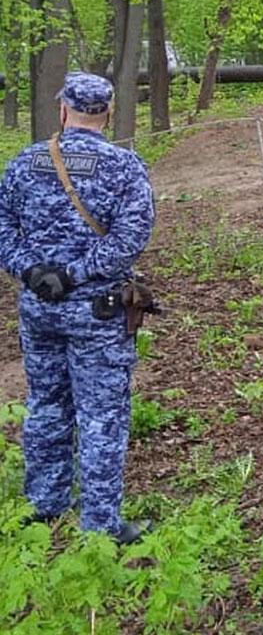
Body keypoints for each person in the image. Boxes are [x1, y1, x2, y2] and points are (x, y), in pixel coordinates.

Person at [0, 73, 156, 544]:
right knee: (102, 413)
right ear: (106, 114)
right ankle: (100, 527)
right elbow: (131, 239)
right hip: (96, 313)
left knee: (46, 404)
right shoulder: (124, 168)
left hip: (40, 311)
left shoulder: (25, 164)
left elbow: (2, 227)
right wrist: (77, 274)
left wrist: (32, 272)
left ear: (63, 110)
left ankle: (45, 505)